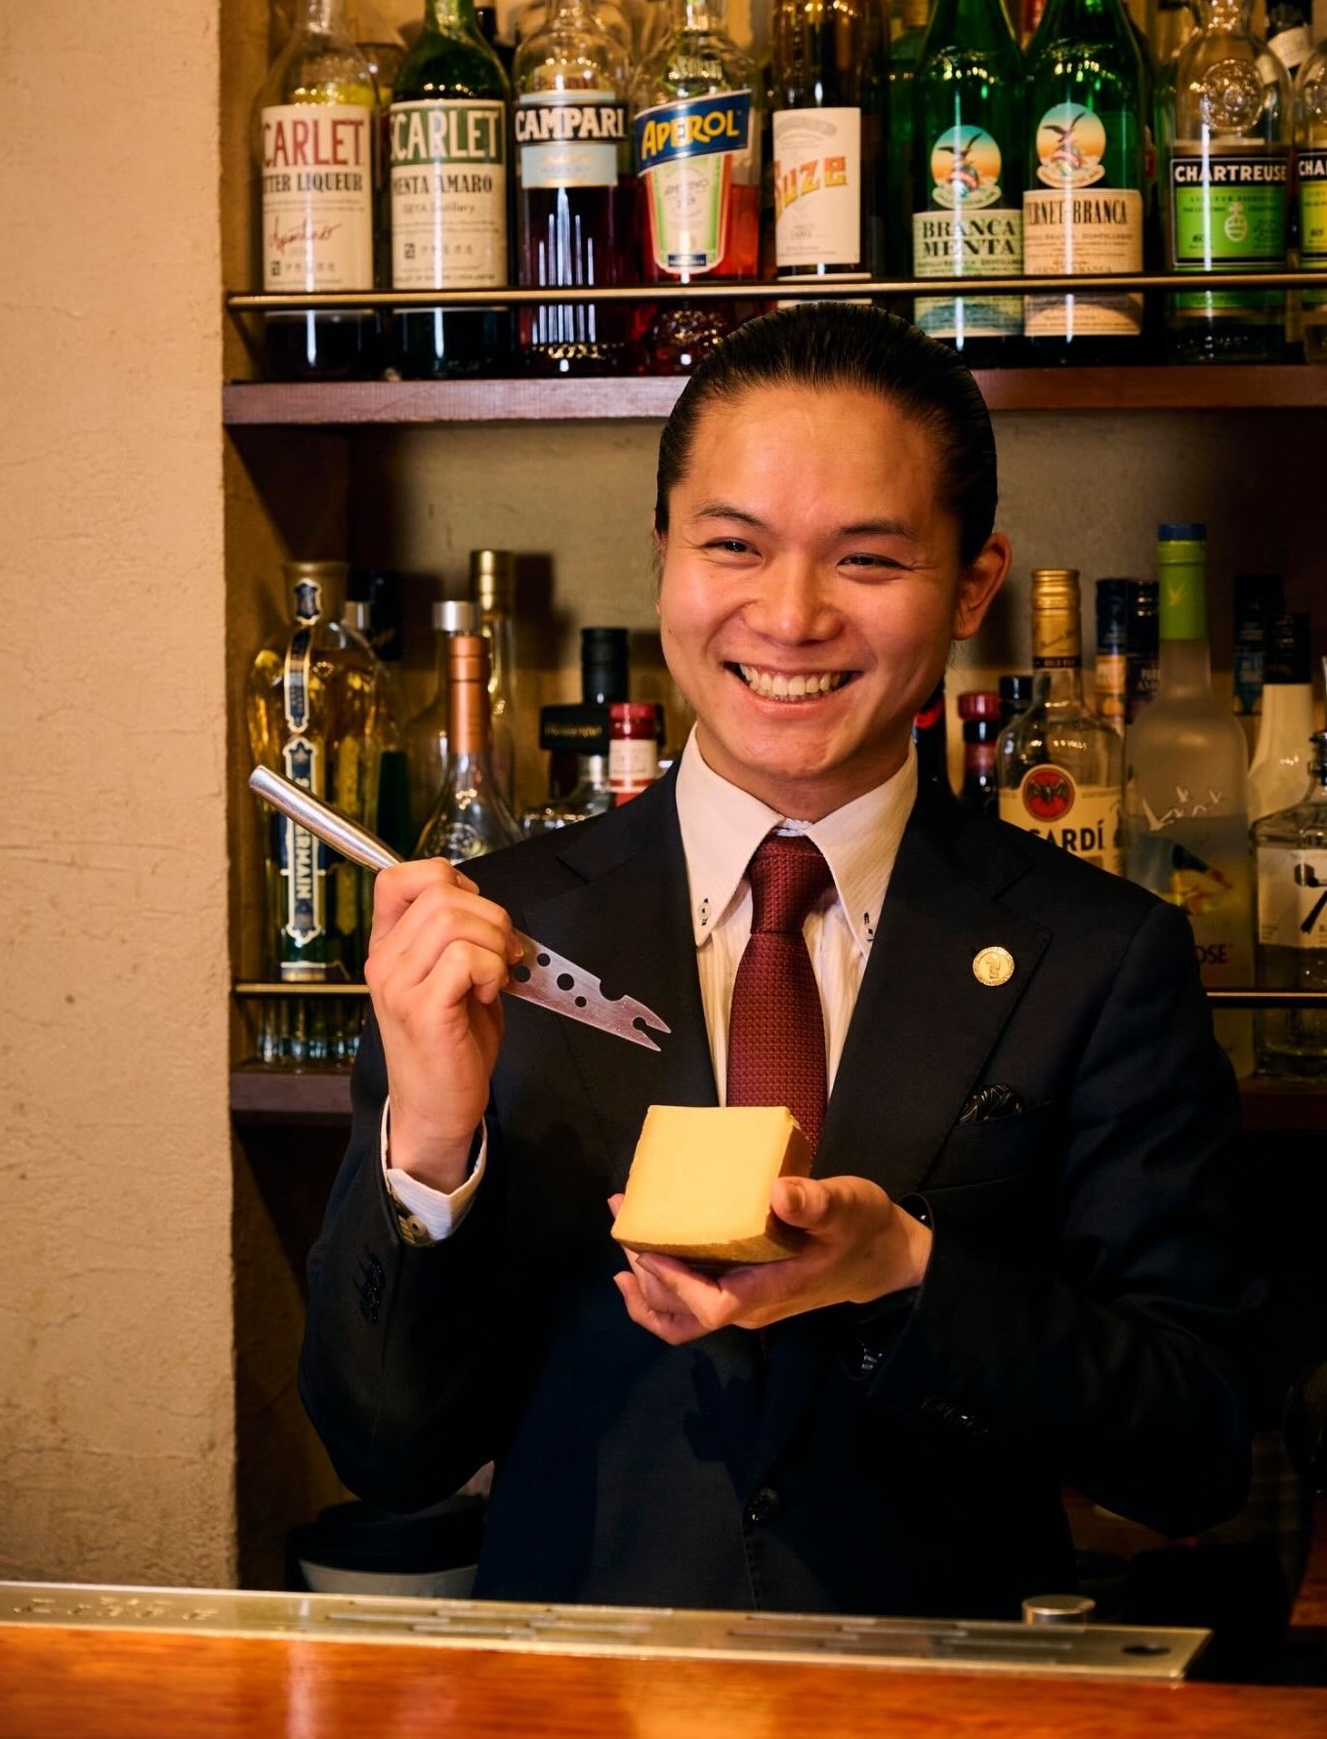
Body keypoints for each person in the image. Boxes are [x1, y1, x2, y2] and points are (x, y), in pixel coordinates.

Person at [300, 304, 1260, 1620]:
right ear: (662, 556)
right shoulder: (488, 937)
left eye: (867, 559)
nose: (791, 616)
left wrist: (907, 1274)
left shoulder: (1098, 954)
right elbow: (386, 1452)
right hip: (580, 1688)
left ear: (973, 584)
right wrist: (428, 1136)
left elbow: (1196, 1450)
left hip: (949, 1693)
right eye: (733, 547)